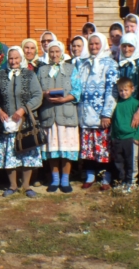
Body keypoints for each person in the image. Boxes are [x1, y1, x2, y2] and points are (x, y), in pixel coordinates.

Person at [0, 46, 44, 198]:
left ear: (21, 58)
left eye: (16, 58)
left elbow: (38, 95)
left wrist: (23, 109)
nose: (13, 61)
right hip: (7, 123)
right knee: (10, 155)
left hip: (25, 122)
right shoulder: (0, 75)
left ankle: (26, 186)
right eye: (11, 58)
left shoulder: (29, 74)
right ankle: (12, 185)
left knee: (26, 153)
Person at [37, 41, 82, 194]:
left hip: (66, 115)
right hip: (49, 115)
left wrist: (64, 99)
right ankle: (55, 179)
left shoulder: (70, 69)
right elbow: (36, 91)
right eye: (51, 52)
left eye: (57, 51)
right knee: (53, 150)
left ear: (62, 52)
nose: (54, 54)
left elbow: (77, 90)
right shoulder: (42, 70)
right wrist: (45, 94)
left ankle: (65, 180)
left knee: (66, 150)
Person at [77, 33, 119, 191]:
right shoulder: (84, 64)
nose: (94, 47)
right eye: (91, 44)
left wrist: (107, 113)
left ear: (103, 44)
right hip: (85, 114)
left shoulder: (110, 64)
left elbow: (112, 90)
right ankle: (90, 175)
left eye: (97, 44)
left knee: (103, 148)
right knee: (88, 148)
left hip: (101, 115)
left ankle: (106, 177)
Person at [117, 33, 139, 181]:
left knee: (135, 142)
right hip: (123, 109)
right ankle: (123, 177)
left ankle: (137, 176)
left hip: (136, 108)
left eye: (130, 46)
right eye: (124, 46)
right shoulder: (120, 63)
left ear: (136, 46)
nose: (126, 49)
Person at [111, 77, 139, 192]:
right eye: (121, 90)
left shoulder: (136, 103)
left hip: (130, 137)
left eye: (126, 90)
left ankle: (132, 182)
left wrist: (137, 136)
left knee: (131, 161)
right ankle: (122, 181)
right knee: (119, 161)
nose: (123, 93)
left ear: (132, 89)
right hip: (118, 138)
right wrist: (113, 136)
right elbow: (114, 121)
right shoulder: (116, 103)